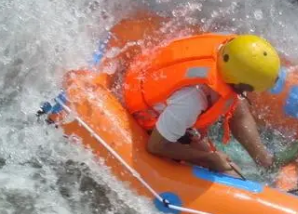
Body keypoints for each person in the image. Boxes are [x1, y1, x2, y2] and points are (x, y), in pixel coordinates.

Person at [122, 33, 298, 175]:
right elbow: (155, 146)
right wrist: (208, 158)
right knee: (227, 169)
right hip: (149, 110)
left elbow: (238, 107)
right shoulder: (191, 99)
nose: (252, 93)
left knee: (237, 103)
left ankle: (265, 161)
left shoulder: (232, 52)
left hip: (157, 78)